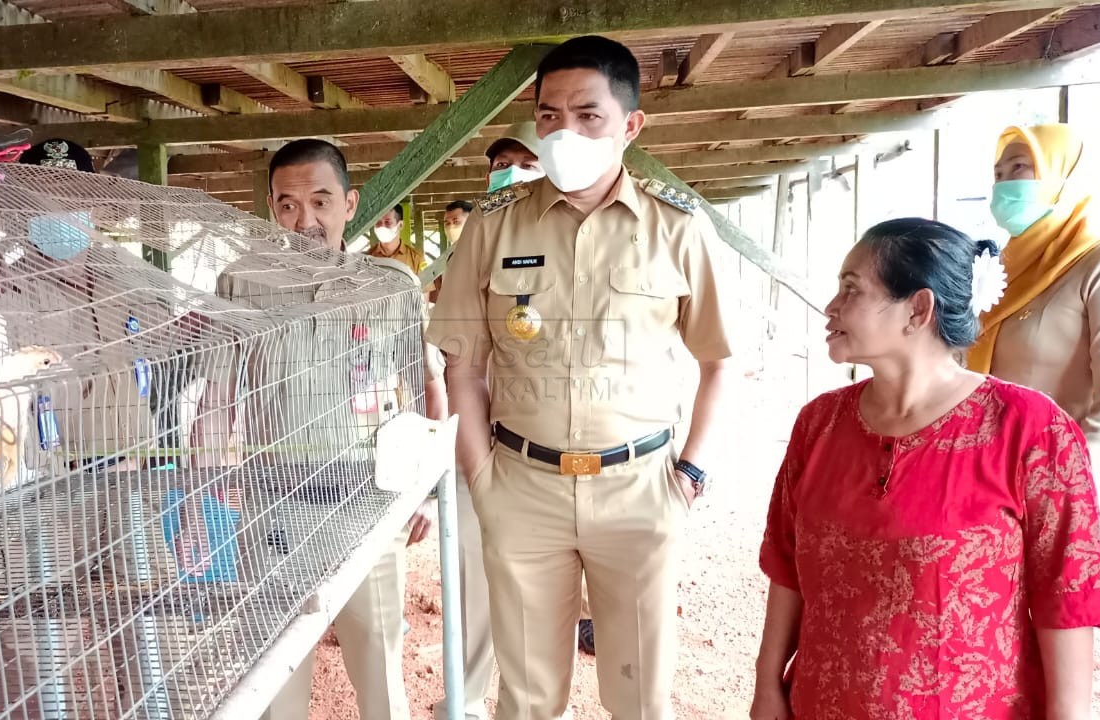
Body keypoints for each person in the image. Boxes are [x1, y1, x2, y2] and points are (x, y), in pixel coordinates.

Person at [427, 36, 734, 720]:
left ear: (630, 124)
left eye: (587, 115)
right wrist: (482, 479)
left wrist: (688, 477)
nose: (563, 131)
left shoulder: (677, 229)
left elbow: (717, 363)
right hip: (521, 489)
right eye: (547, 115)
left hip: (639, 491)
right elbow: (462, 365)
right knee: (528, 697)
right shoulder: (491, 226)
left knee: (639, 696)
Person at [751, 217, 1100, 719]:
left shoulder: (1030, 431)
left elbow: (1068, 594)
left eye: (851, 289)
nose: (831, 307)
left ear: (918, 309)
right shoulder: (819, 424)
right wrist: (767, 686)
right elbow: (786, 564)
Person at [191, 138, 434, 720]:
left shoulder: (391, 287)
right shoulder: (241, 285)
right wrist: (200, 501)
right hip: (272, 506)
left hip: (367, 507)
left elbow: (418, 391)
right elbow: (218, 400)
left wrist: (423, 487)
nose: (306, 220)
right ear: (272, 209)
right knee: (277, 672)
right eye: (288, 205)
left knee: (379, 663)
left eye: (321, 201)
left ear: (350, 205)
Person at [971, 124, 1100, 483]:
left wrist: (1064, 479)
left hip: (1061, 476)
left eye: (1019, 168)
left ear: (1062, 175)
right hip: (992, 471)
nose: (1004, 184)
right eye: (997, 174)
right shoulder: (1004, 265)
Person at [368, 204, 427, 274]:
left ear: (400, 225)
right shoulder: (367, 257)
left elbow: (427, 284)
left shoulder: (416, 259)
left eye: (387, 222)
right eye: (378, 222)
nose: (382, 226)